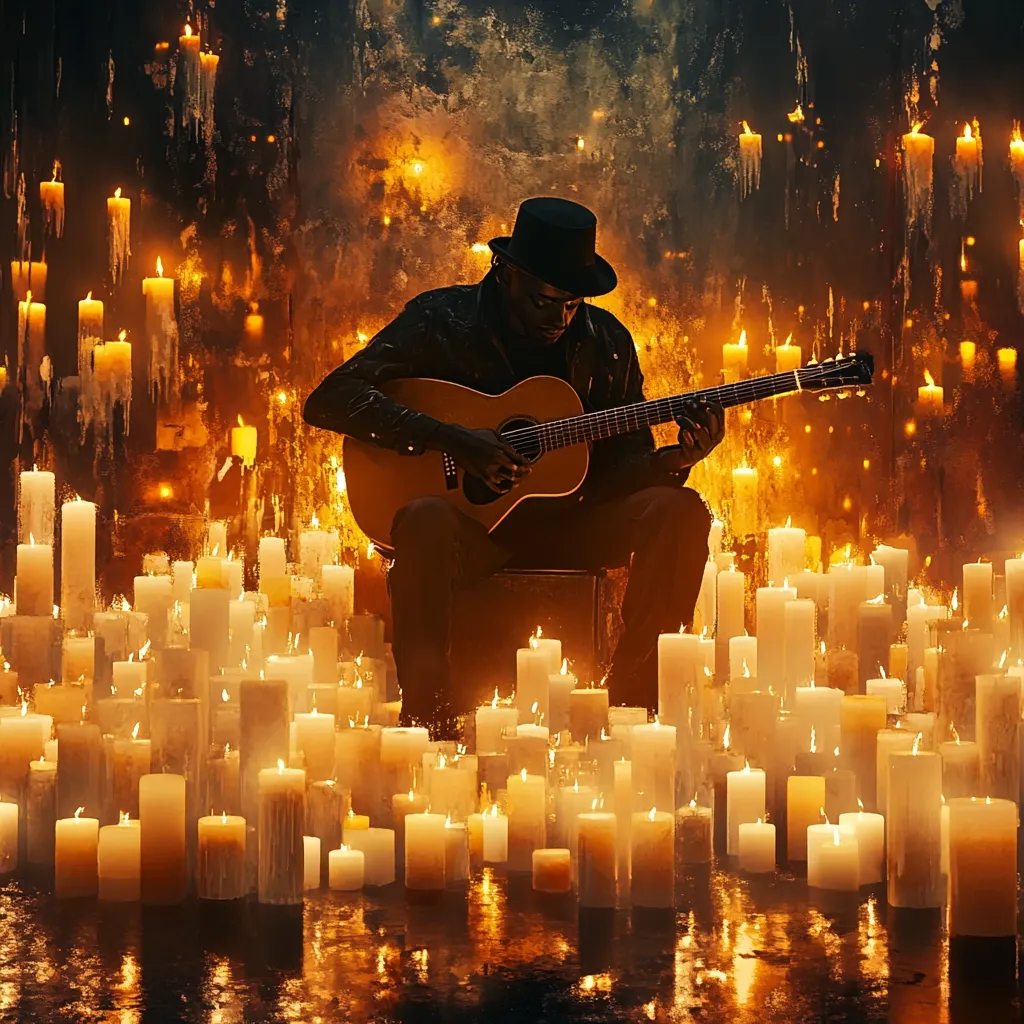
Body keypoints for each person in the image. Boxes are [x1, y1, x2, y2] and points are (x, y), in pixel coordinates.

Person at [304, 197, 724, 737]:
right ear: (504, 272)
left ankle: (631, 710)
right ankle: (429, 721)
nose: (559, 320)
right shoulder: (441, 319)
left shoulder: (607, 341)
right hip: (474, 534)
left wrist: (675, 459)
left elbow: (622, 468)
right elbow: (331, 399)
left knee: (682, 511)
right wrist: (452, 438)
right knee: (425, 518)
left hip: (575, 525)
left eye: (572, 305)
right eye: (544, 302)